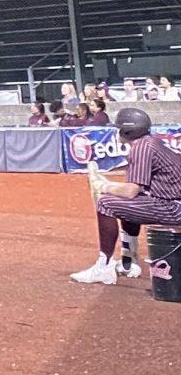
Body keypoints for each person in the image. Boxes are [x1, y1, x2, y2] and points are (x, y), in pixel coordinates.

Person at [72, 108, 181, 284]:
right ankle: (128, 262)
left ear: (128, 130)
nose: (117, 132)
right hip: (172, 202)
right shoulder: (149, 143)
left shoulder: (140, 148)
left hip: (173, 208)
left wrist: (104, 186)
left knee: (106, 203)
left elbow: (131, 191)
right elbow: (138, 191)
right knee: (126, 204)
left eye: (119, 128)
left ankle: (104, 267)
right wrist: (111, 185)